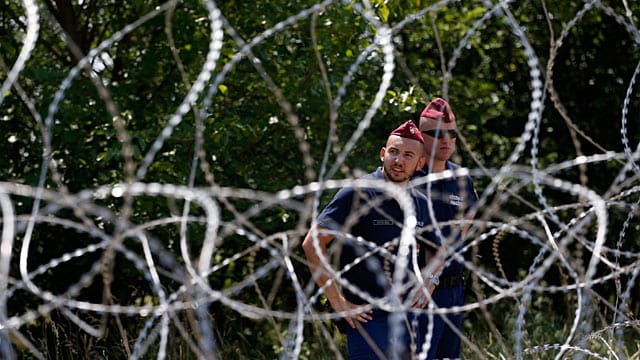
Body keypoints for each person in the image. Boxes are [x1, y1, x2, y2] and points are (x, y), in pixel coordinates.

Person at [302, 120, 443, 359]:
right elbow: (312, 243)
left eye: (408, 155)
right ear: (382, 154)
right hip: (368, 316)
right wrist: (338, 301)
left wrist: (431, 279)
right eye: (394, 152)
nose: (398, 161)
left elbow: (439, 247)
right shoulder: (358, 193)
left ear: (420, 163)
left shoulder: (420, 201)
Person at [415, 97, 478, 359]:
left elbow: (470, 215)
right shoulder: (409, 178)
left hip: (452, 290)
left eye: (452, 134)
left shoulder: (460, 177)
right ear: (421, 136)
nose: (447, 140)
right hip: (417, 292)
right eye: (438, 134)